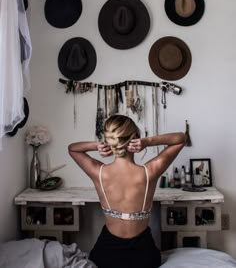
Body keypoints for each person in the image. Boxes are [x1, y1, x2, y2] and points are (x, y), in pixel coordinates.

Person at [68, 114, 186, 268]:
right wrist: (148, 142)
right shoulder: (149, 172)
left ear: (110, 141)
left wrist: (96, 146)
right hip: (143, 257)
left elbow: (73, 149)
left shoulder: (99, 172)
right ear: (135, 139)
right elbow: (181, 138)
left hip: (106, 255)